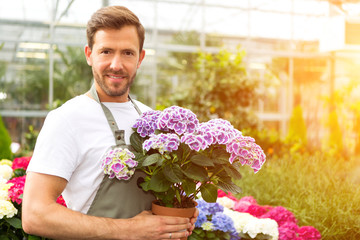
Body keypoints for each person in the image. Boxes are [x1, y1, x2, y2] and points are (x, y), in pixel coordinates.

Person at [22, 5, 198, 240]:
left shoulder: (152, 120)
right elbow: (35, 215)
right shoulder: (67, 119)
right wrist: (131, 230)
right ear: (89, 54)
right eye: (106, 51)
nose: (117, 64)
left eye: (127, 53)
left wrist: (179, 215)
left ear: (140, 58)